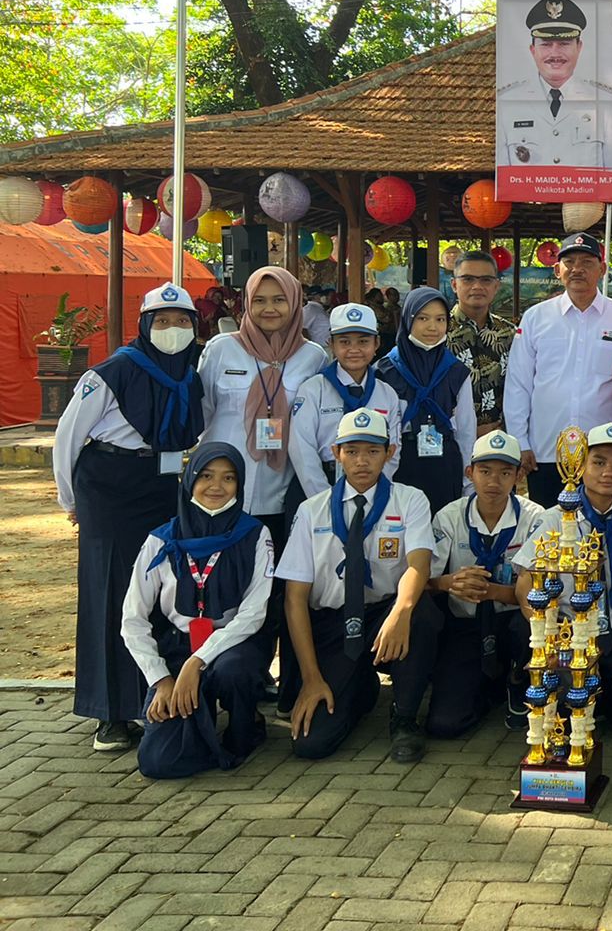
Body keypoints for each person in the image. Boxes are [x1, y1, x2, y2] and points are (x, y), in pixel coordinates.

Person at [55, 283, 206, 752]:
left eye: (182, 322)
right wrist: (71, 500)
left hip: (162, 484)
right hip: (110, 486)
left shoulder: (189, 373)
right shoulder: (113, 371)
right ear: (144, 325)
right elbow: (68, 436)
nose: (172, 330)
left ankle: (153, 697)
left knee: (160, 591)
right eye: (162, 321)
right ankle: (110, 713)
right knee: (112, 592)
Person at [279, 409, 444, 762]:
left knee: (422, 613)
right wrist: (311, 678)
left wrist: (401, 611)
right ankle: (358, 688)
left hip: (384, 613)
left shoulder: (410, 499)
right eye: (351, 451)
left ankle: (404, 717)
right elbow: (295, 599)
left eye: (372, 451)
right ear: (336, 453)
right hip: (333, 625)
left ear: (389, 452)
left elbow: (419, 565)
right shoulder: (311, 511)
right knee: (312, 744)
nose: (362, 461)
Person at [199, 266, 328, 701]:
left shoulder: (313, 357)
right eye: (259, 300)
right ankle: (234, 684)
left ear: (295, 304)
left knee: (278, 593)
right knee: (227, 593)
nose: (269, 309)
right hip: (225, 496)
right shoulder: (221, 350)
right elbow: (204, 412)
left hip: (281, 496)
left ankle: (286, 685)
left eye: (279, 300)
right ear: (245, 304)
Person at [119, 443, 274, 778]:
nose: (216, 486)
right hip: (178, 649)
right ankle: (196, 722)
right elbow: (132, 620)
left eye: (228, 478)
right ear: (189, 479)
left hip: (233, 645)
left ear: (240, 484)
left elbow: (253, 613)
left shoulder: (255, 534)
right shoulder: (161, 540)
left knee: (236, 672)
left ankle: (245, 724)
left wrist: (198, 661)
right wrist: (161, 679)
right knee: (158, 762)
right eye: (206, 476)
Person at [511, 422, 612, 746]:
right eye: (598, 462)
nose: (608, 472)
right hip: (570, 635)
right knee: (561, 731)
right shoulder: (556, 518)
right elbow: (525, 581)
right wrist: (548, 639)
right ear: (580, 465)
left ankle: (608, 700)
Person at [504, 231, 612, 507]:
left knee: (602, 530)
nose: (577, 269)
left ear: (602, 269)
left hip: (605, 451)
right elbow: (519, 383)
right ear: (557, 270)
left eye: (587, 262)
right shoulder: (535, 318)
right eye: (569, 262)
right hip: (545, 450)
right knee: (550, 534)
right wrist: (520, 441)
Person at [425, 431, 544, 736]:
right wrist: (449, 583)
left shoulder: (536, 519)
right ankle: (486, 690)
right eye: (485, 471)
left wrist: (492, 592)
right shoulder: (449, 517)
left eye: (505, 473)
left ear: (519, 475)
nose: (494, 482)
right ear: (470, 473)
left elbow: (538, 592)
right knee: (445, 725)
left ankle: (519, 681)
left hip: (514, 623)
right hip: (466, 625)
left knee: (529, 627)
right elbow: (425, 580)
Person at [287, 303, 403, 524]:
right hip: (319, 483)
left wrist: (372, 492)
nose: (354, 349)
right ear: (330, 344)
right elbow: (302, 448)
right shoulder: (313, 389)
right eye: (344, 342)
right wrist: (324, 499)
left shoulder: (386, 393)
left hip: (370, 487)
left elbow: (393, 449)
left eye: (363, 341)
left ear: (377, 343)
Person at [376, 287, 475, 514]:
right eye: (422, 318)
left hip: (444, 465)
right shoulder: (384, 371)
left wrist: (468, 484)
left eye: (440, 319)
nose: (433, 327)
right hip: (400, 465)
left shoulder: (456, 371)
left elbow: (466, 430)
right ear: (408, 319)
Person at [496, 0, 612, 170]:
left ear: (579, 47)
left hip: (585, 198)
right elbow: (503, 175)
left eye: (564, 43)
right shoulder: (508, 103)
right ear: (533, 50)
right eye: (546, 44)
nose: (555, 53)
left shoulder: (604, 102)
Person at [446, 250, 518, 438]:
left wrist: (503, 428)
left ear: (496, 286)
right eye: (468, 279)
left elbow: (521, 386)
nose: (477, 286)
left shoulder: (510, 333)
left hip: (501, 438)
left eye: (486, 280)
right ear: (454, 284)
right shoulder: (438, 331)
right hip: (450, 437)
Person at [302, 285, 333, 349]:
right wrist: (309, 347)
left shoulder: (319, 308)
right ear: (314, 297)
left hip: (327, 346)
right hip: (321, 347)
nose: (324, 297)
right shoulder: (310, 309)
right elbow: (302, 329)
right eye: (320, 295)